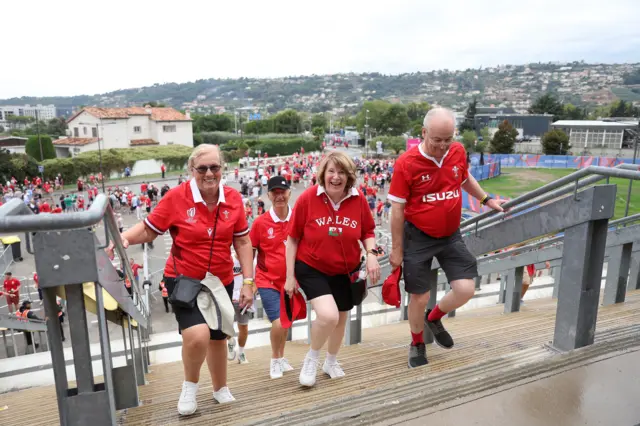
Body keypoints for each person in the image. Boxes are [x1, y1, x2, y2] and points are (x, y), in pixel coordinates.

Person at [108, 144, 255, 416]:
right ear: (192, 169)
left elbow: (243, 241)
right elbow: (150, 230)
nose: (209, 173)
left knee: (218, 336)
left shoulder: (233, 198)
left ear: (222, 168)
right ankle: (189, 386)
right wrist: (123, 239)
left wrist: (248, 281)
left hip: (221, 279)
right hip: (184, 278)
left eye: (215, 167)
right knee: (197, 335)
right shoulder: (177, 197)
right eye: (203, 168)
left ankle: (220, 388)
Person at [387, 107, 505, 368]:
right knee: (418, 296)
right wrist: (396, 249)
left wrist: (486, 199)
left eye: (447, 139)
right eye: (436, 140)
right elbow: (397, 211)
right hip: (417, 236)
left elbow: (464, 178)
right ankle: (417, 342)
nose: (442, 146)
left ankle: (435, 316)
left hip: (451, 234)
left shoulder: (458, 151)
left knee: (466, 289)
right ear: (423, 133)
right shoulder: (406, 163)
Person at [285, 151, 381, 387]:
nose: (335, 177)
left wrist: (371, 255)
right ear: (323, 174)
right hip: (311, 266)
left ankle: (331, 361)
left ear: (349, 177)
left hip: (345, 268)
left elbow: (368, 232)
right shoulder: (308, 198)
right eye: (331, 171)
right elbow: (293, 238)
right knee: (328, 315)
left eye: (341, 172)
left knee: (340, 318)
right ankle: (312, 358)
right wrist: (289, 276)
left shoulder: (358, 200)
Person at [250, 175, 295, 379]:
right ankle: (275, 359)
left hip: (291, 281)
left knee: (286, 323)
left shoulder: (297, 219)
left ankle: (282, 356)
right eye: (275, 193)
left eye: (282, 192)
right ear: (268, 195)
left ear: (289, 193)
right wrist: (248, 282)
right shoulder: (260, 223)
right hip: (267, 280)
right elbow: (249, 251)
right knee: (278, 322)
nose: (279, 196)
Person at [227, 250, 253, 364]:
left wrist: (251, 294)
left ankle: (241, 353)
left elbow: (256, 281)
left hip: (243, 300)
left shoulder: (252, 262)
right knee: (226, 326)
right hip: (228, 298)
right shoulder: (230, 260)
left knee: (243, 327)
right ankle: (230, 341)